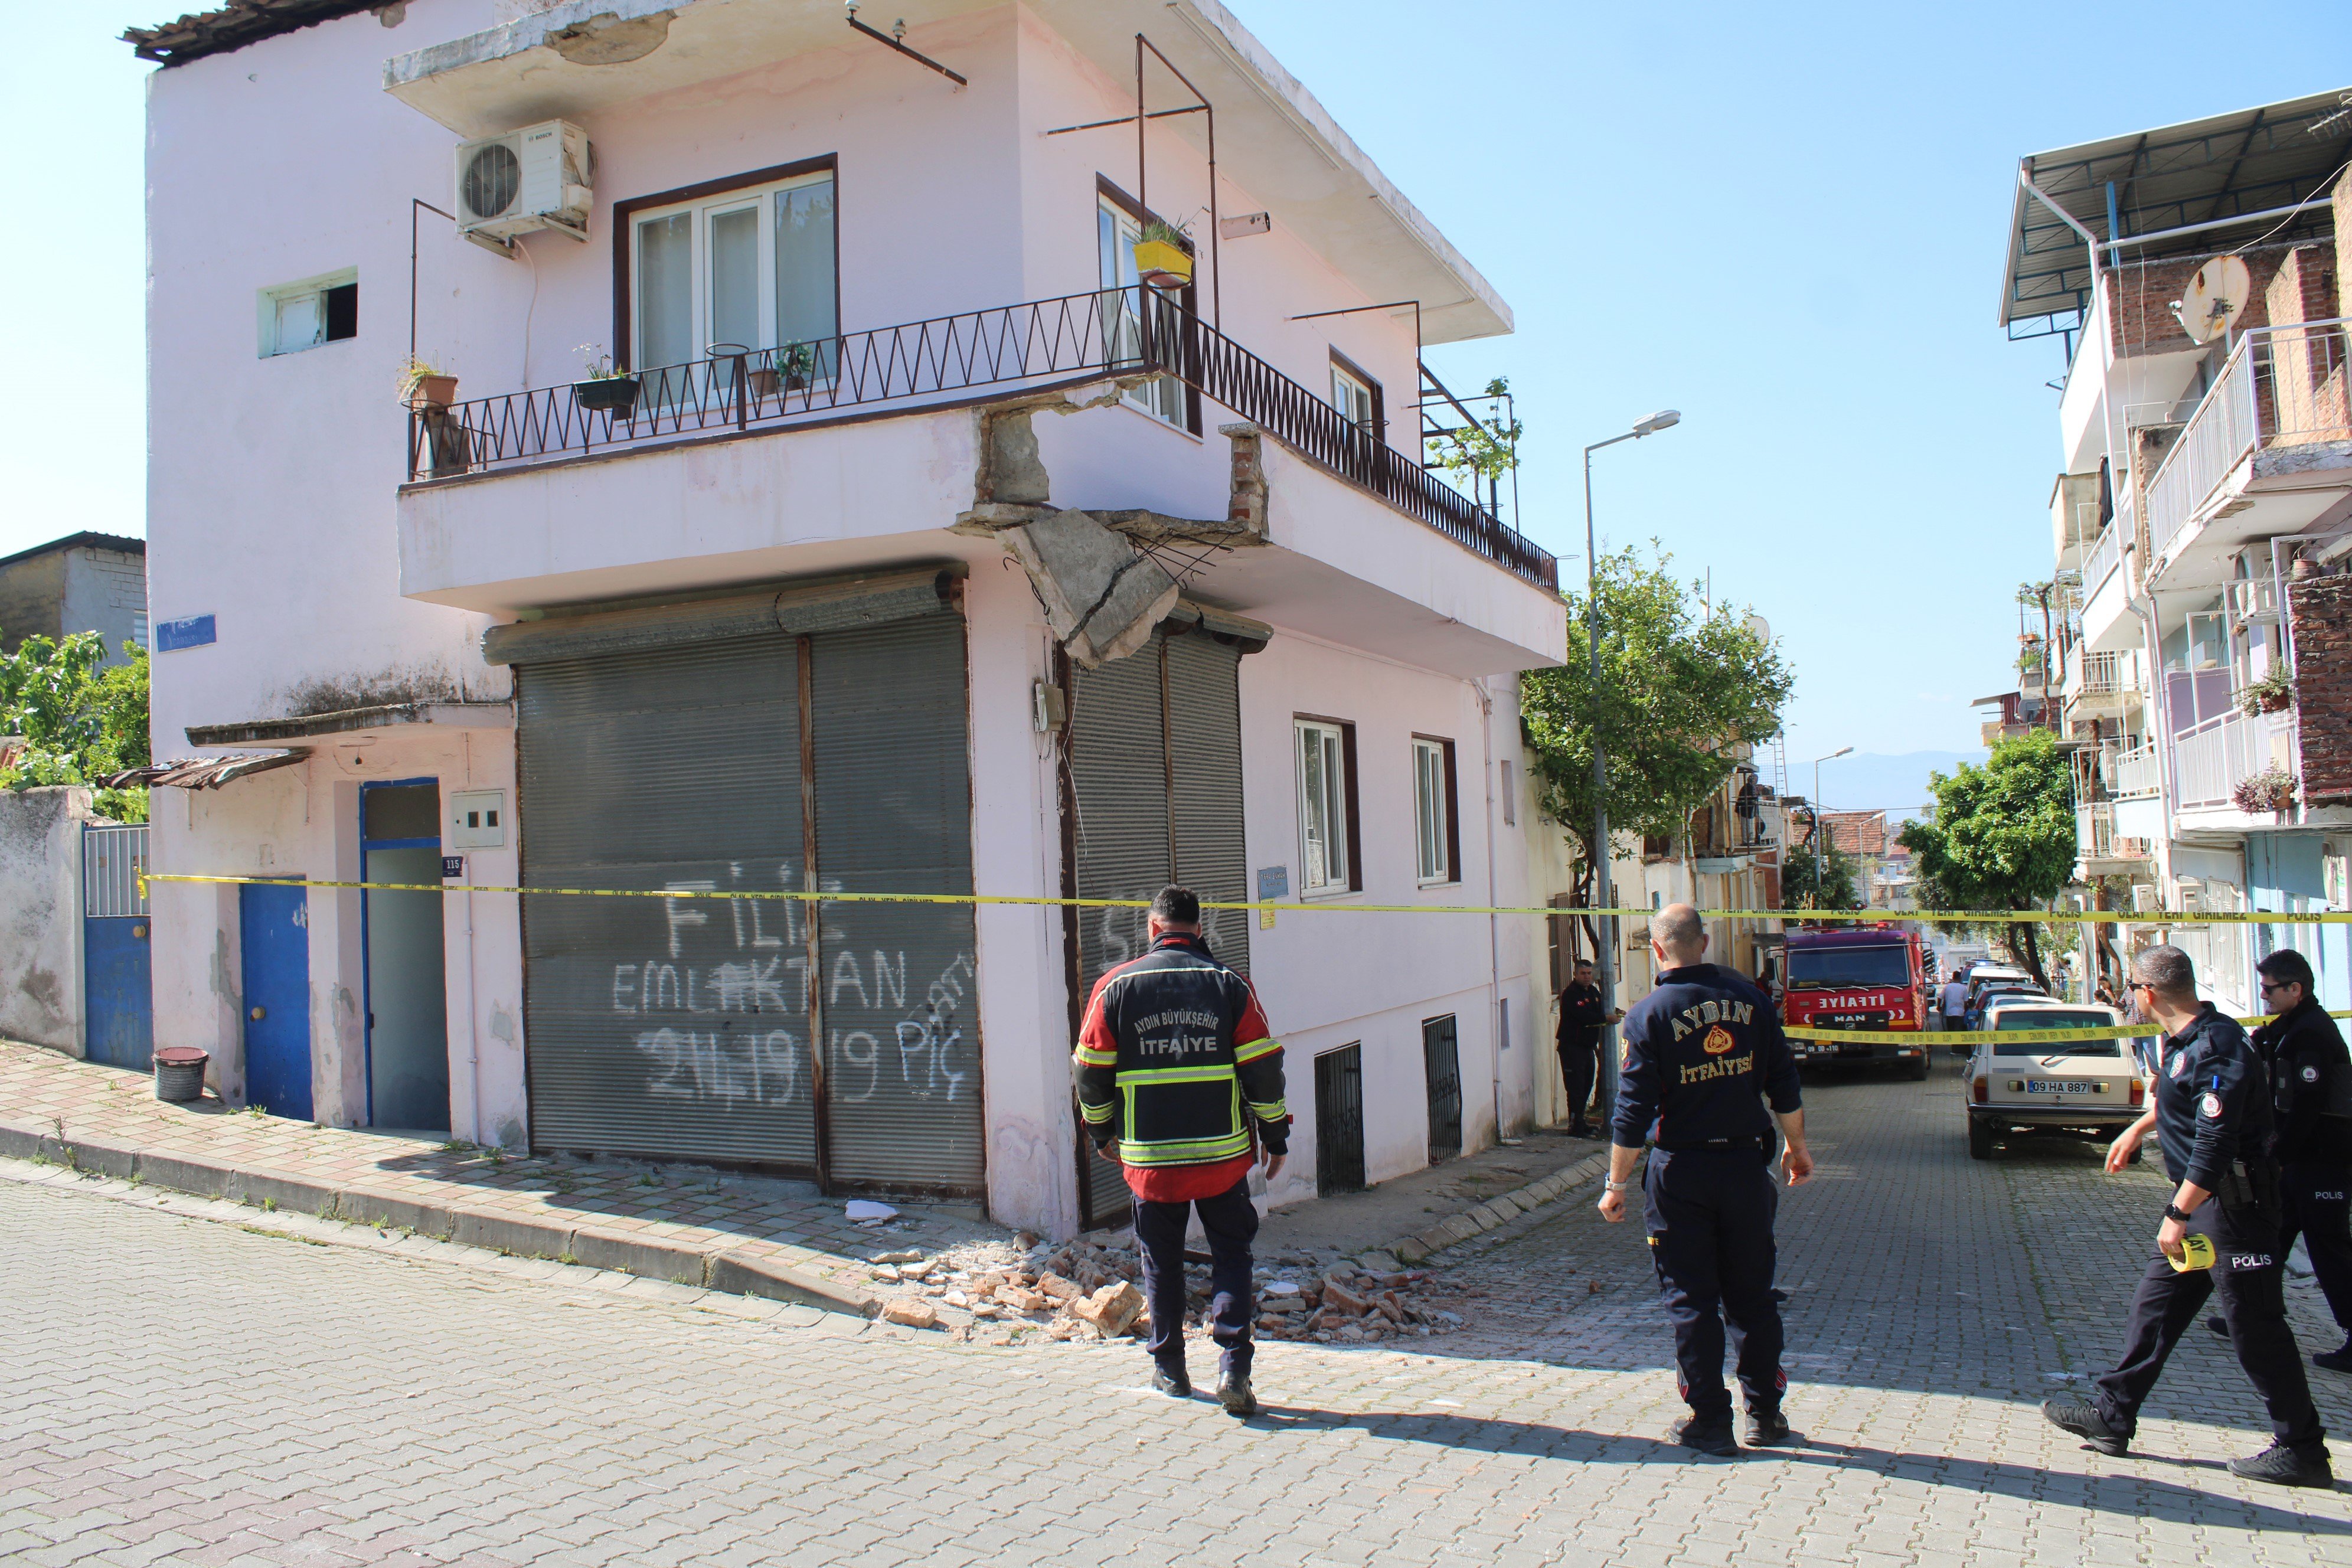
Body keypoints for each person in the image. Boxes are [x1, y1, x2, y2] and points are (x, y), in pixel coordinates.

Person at [2043, 945, 2331, 1487]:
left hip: (2234, 1210)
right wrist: (2137, 1129)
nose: (2131, 997)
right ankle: (2113, 1414)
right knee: (2156, 1309)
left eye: (2132, 988)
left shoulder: (2218, 1046)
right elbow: (2185, 1100)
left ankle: (2303, 1449)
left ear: (2147, 993)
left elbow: (2216, 1141)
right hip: (2206, 1209)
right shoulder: (2190, 1043)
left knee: (2256, 1328)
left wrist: (2176, 1213)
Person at [1600, 903, 1812, 1455]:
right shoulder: (1753, 1000)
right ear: (1707, 940)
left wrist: (1616, 1184)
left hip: (1682, 1173)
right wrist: (1797, 1146)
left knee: (1692, 1300)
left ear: (1657, 950)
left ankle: (1711, 1421)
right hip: (1745, 1167)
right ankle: (1765, 1415)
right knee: (1752, 1297)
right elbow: (1783, 1082)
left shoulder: (1647, 1016)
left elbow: (1631, 1112)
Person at [1074, 885, 1289, 1417]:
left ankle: (1170, 1369)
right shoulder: (1228, 985)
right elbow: (1262, 1067)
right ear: (1201, 928)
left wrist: (1102, 1134)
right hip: (1222, 1158)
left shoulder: (1114, 987)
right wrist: (1275, 1135)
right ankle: (1234, 1370)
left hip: (1150, 1160)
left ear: (1152, 928)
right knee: (1231, 1257)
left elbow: (1090, 1070)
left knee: (1161, 1261)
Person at [2205, 950, 2352, 1370]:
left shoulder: (2313, 1035)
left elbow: (2308, 1107)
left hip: (2321, 1162)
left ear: (2295, 989)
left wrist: (2279, 1158)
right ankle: (2250, 1316)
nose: (2264, 996)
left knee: (2329, 1250)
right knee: (2268, 1240)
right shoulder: (2288, 1029)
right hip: (2296, 1161)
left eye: (2270, 989)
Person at [1557, 958, 1622, 1138]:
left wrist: (1615, 1012)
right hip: (1572, 1048)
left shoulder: (1593, 991)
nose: (1587, 977)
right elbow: (1584, 1016)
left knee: (1586, 1086)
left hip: (1587, 1048)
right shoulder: (1571, 994)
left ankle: (1581, 1122)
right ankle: (1575, 1126)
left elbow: (1601, 1008)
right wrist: (1606, 1018)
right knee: (1575, 1088)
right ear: (1575, 974)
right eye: (1583, 974)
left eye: (1589, 973)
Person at [1938, 969, 1969, 1035]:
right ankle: (1957, 1044)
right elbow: (1966, 1001)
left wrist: (1939, 1007)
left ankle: (1953, 1044)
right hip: (1960, 1013)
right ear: (1960, 978)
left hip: (1950, 1013)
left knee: (1951, 1031)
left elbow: (1940, 997)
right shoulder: (1963, 988)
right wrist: (1965, 1010)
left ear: (1953, 978)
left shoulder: (1947, 987)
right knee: (1958, 1032)